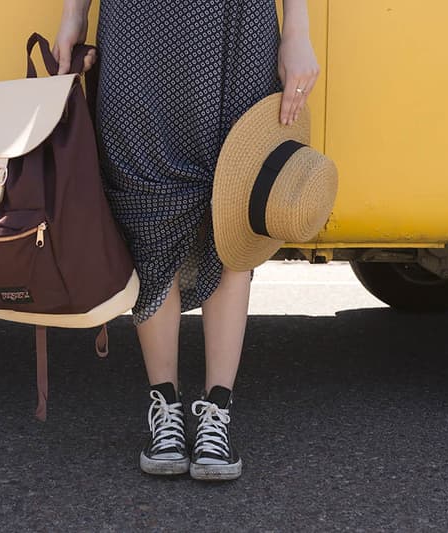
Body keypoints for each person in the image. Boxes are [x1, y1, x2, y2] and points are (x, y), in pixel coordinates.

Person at [54, 0, 319, 481]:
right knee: (146, 210)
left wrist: (297, 29)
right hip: (139, 29)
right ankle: (167, 411)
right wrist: (74, 14)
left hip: (237, 26)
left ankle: (217, 411)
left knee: (236, 208)